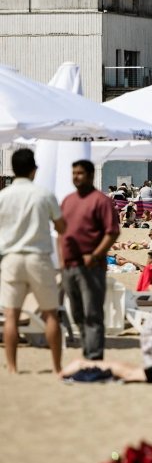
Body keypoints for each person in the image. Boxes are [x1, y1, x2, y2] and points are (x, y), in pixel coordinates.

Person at [0, 148, 67, 375]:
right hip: (38, 257)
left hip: (11, 258)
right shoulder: (43, 194)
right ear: (33, 169)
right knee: (50, 314)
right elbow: (61, 227)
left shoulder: (3, 196)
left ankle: (12, 367)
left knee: (11, 316)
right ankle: (57, 367)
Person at [60, 159, 120, 361]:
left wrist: (96, 255)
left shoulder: (101, 201)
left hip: (91, 267)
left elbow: (112, 232)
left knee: (92, 313)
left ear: (91, 175)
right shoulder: (68, 200)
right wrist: (61, 259)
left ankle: (94, 358)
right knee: (77, 313)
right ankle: (88, 351)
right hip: (69, 266)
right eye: (74, 173)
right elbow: (61, 232)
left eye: (80, 173)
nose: (76, 177)